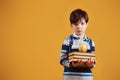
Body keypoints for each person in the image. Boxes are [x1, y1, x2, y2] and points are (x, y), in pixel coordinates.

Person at [60, 9, 96, 80]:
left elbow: (93, 62)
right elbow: (62, 60)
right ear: (71, 25)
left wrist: (91, 64)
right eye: (76, 24)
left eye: (82, 23)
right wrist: (71, 64)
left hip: (86, 77)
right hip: (70, 77)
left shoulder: (91, 43)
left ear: (87, 24)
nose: (79, 26)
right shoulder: (67, 41)